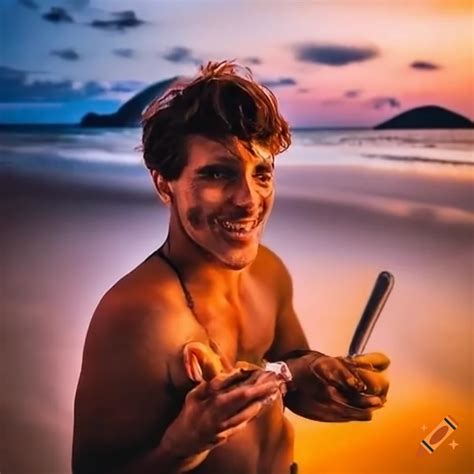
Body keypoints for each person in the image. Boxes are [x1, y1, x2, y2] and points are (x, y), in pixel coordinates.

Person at [72, 61, 390, 474]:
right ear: (164, 183)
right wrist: (183, 443)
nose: (248, 199)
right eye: (218, 174)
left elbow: (289, 379)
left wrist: (326, 378)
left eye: (261, 174)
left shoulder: (268, 271)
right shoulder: (137, 315)